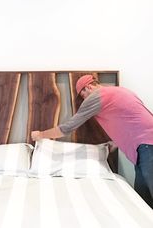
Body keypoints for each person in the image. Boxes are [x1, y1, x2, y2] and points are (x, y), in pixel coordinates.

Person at [31, 74, 153, 208]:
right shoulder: (120, 91)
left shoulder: (97, 97)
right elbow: (132, 119)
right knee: (144, 201)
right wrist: (116, 142)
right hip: (144, 146)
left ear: (88, 86)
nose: (83, 98)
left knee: (145, 197)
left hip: (147, 146)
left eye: (82, 94)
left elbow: (68, 127)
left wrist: (41, 135)